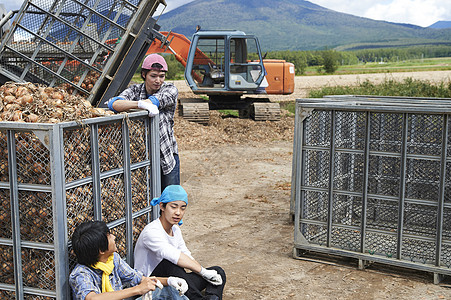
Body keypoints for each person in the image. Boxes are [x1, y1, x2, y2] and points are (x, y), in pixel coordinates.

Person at [134, 185, 226, 300]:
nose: (178, 212)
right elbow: (174, 255)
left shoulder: (176, 230)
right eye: (174, 207)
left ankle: (213, 298)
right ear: (162, 206)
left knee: (218, 272)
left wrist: (206, 273)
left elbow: (186, 254)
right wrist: (203, 272)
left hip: (176, 281)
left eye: (182, 208)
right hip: (152, 286)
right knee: (169, 263)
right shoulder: (151, 232)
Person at [106, 54, 179, 191]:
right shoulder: (135, 90)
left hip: (166, 154)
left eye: (161, 76)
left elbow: (155, 101)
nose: (158, 80)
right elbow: (113, 103)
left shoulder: (170, 90)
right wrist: (140, 104)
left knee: (171, 199)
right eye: (153, 76)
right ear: (144, 74)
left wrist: (131, 105)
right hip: (142, 158)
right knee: (147, 198)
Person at [69, 220, 189, 300]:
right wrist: (137, 290)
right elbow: (93, 298)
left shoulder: (113, 259)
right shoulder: (80, 274)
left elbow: (138, 278)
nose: (114, 237)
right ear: (101, 250)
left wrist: (169, 280)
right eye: (109, 236)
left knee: (169, 291)